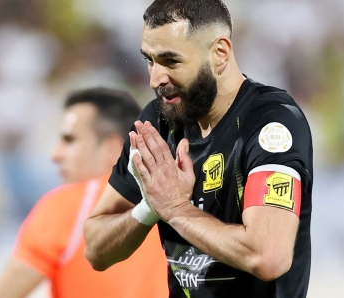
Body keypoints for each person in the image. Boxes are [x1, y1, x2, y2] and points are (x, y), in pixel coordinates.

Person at [84, 0, 313, 297]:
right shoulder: (157, 122)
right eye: (150, 60)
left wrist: (176, 210)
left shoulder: (271, 123)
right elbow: (95, 249)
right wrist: (149, 208)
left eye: (171, 61)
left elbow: (268, 257)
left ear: (220, 53)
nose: (156, 79)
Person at [0, 88, 168, 298]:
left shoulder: (67, 205)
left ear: (113, 149)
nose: (55, 154)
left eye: (69, 140)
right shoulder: (177, 198)